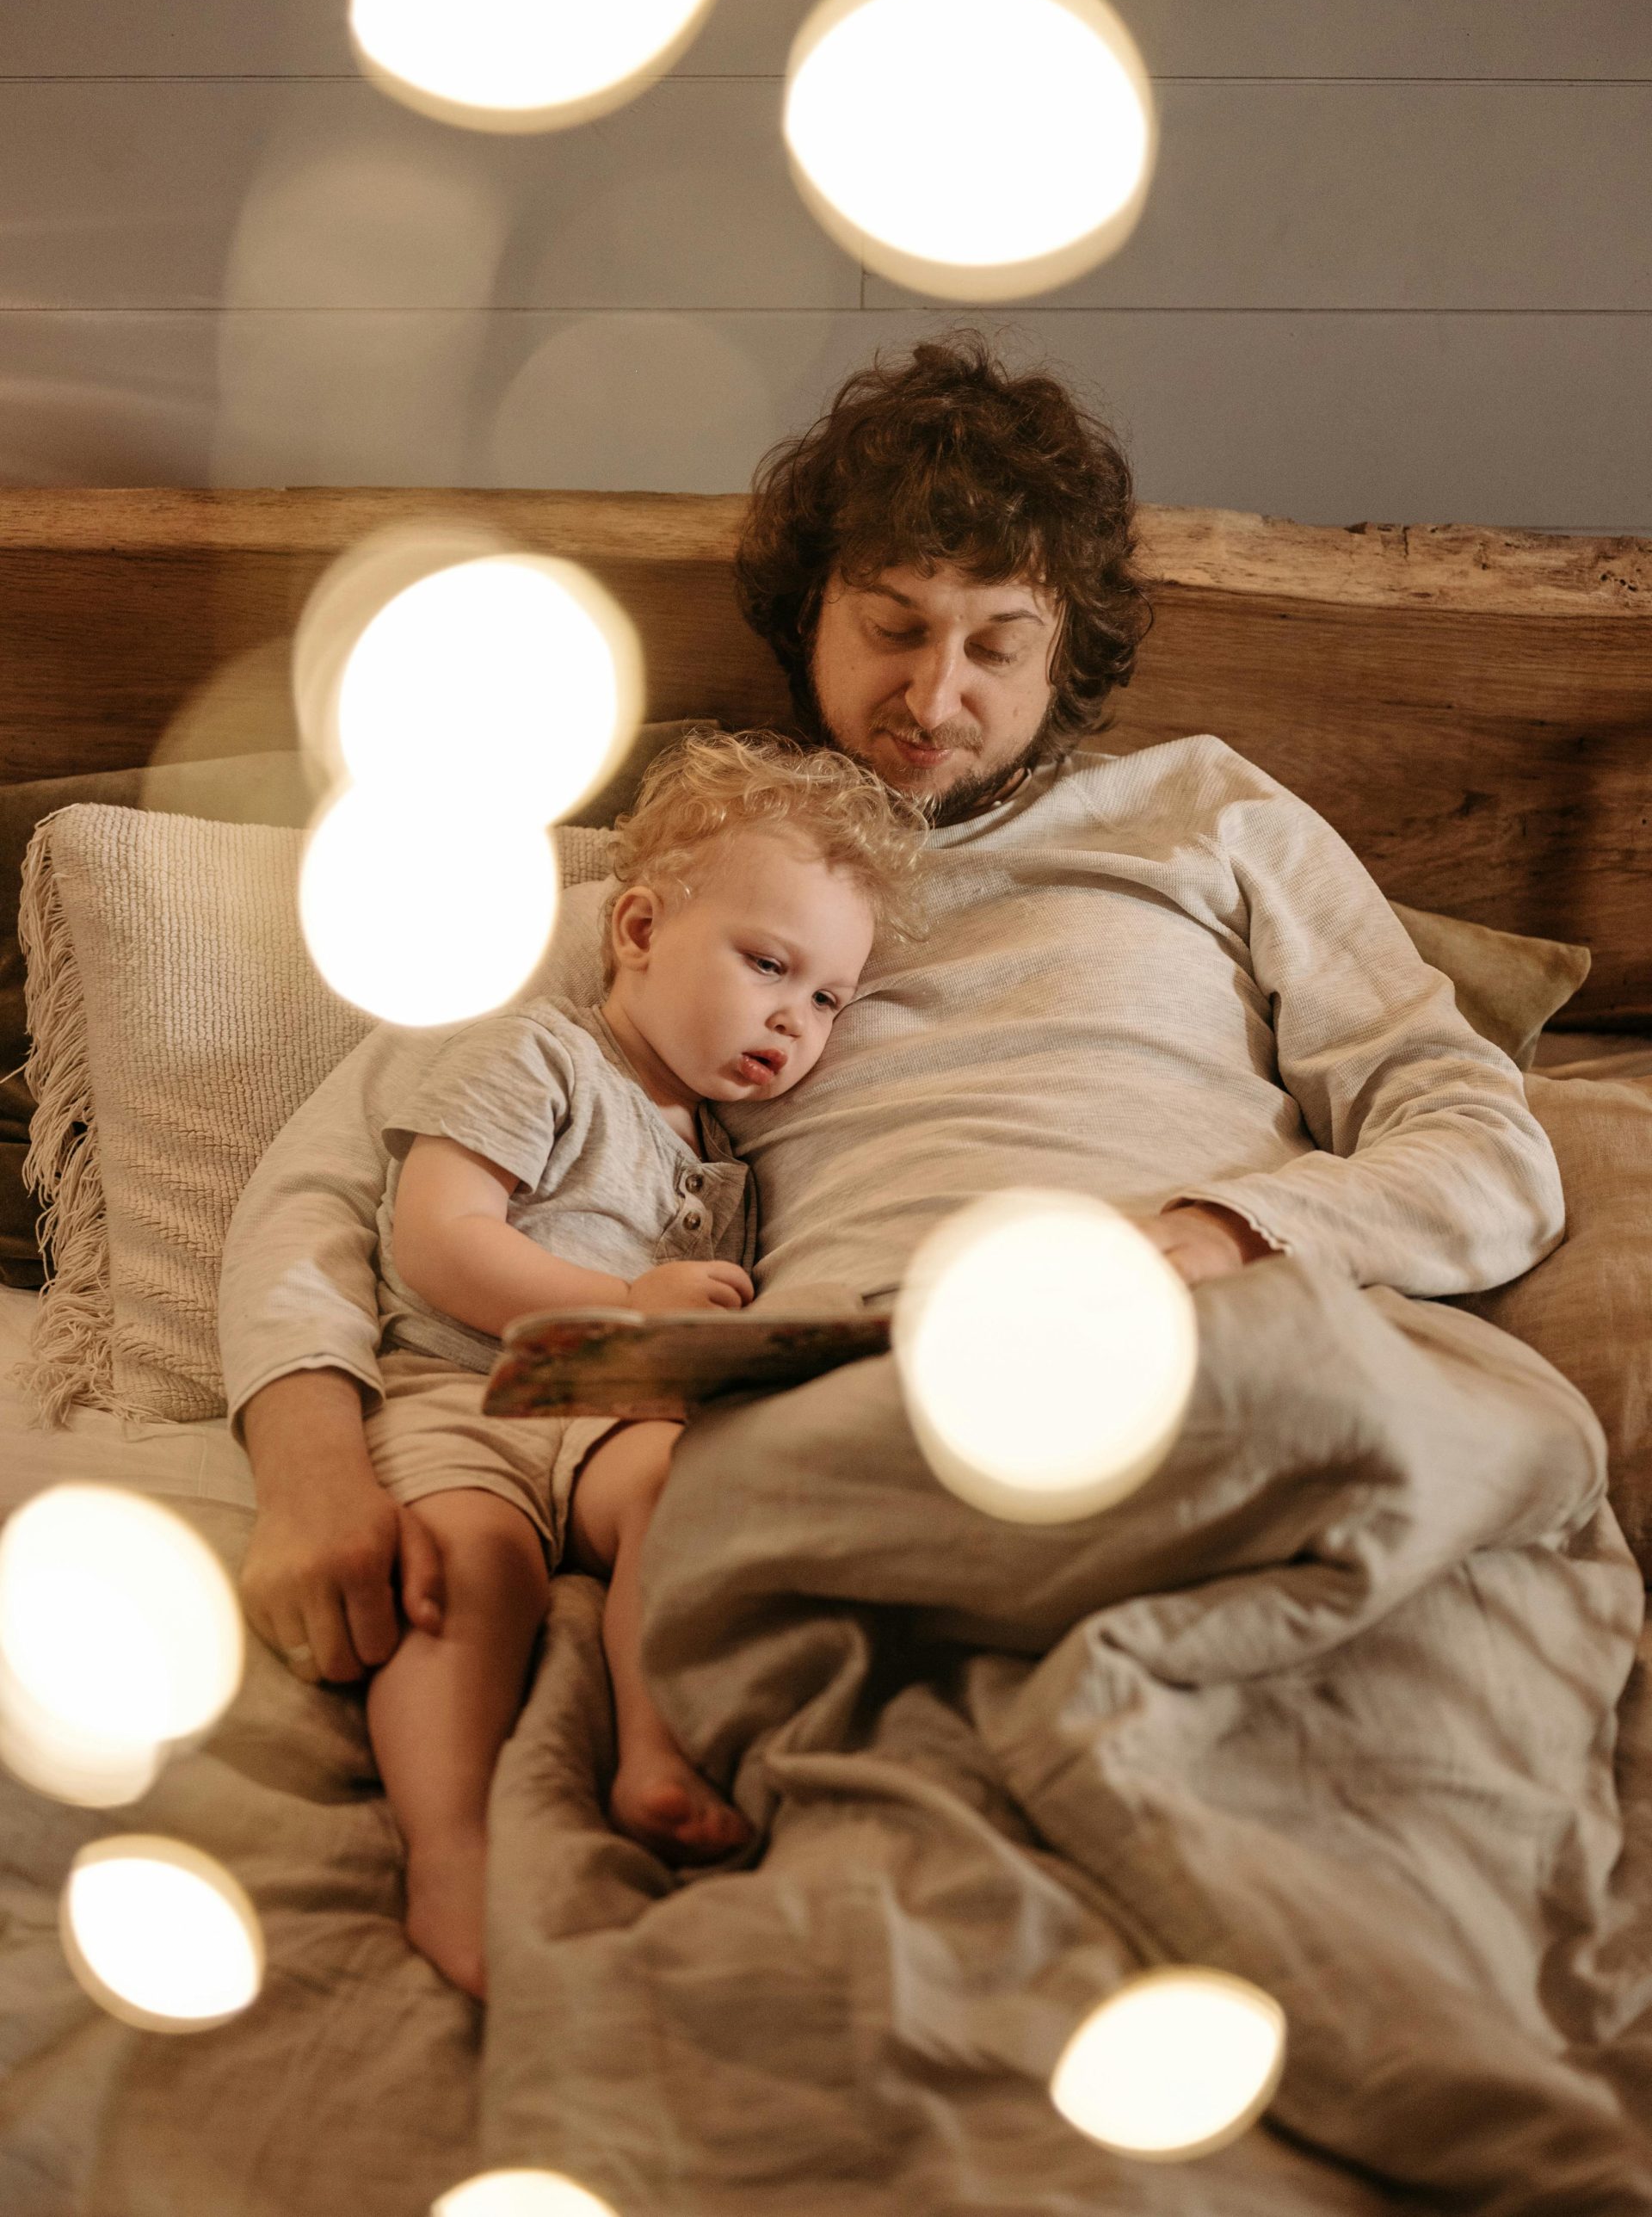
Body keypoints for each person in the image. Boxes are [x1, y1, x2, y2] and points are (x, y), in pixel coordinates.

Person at [221, 326, 1564, 1830]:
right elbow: (328, 1182)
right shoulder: (681, 894)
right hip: (865, 1407)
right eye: (893, 627)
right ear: (812, 617)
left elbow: (1485, 1146)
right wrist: (313, 1472)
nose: (935, 696)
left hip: (1228, 1335)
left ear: (1067, 654)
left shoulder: (1210, 815)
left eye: (998, 645)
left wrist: (1221, 1235)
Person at [270, 731, 924, 1996]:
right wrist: (624, 1301)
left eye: (828, 1000)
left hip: (612, 1416)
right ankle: (449, 1850)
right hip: (461, 1392)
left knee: (685, 1499)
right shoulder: (537, 1054)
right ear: (638, 930)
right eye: (768, 964)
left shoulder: (724, 1161)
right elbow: (438, 1239)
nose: (792, 1019)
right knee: (473, 1566)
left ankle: (654, 1754)